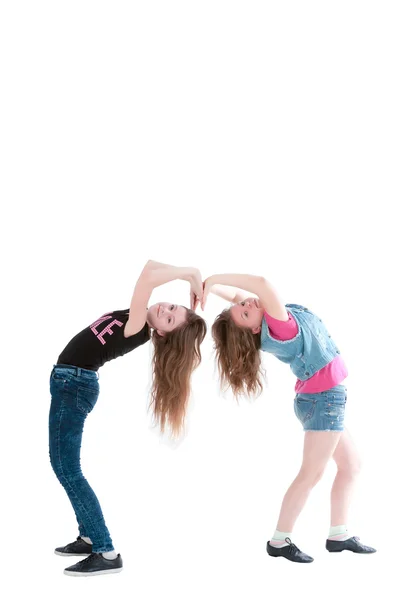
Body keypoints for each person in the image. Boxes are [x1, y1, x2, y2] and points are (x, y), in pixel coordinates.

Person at [202, 272, 376, 563]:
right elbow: (262, 284)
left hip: (321, 399)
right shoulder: (281, 326)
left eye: (246, 304)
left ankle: (339, 535)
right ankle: (280, 541)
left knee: (352, 464)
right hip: (325, 402)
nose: (249, 303)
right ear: (255, 330)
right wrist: (214, 276)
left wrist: (211, 288)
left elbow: (240, 297)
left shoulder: (265, 319)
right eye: (246, 312)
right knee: (311, 474)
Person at [49, 260, 207, 576]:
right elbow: (151, 265)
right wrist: (189, 274)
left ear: (162, 333)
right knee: (66, 466)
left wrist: (190, 274)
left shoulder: (137, 327)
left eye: (171, 318)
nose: (166, 309)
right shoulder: (138, 317)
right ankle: (89, 535)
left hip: (74, 384)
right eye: (172, 307)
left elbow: (147, 276)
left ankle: (106, 552)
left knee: (66, 467)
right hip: (71, 381)